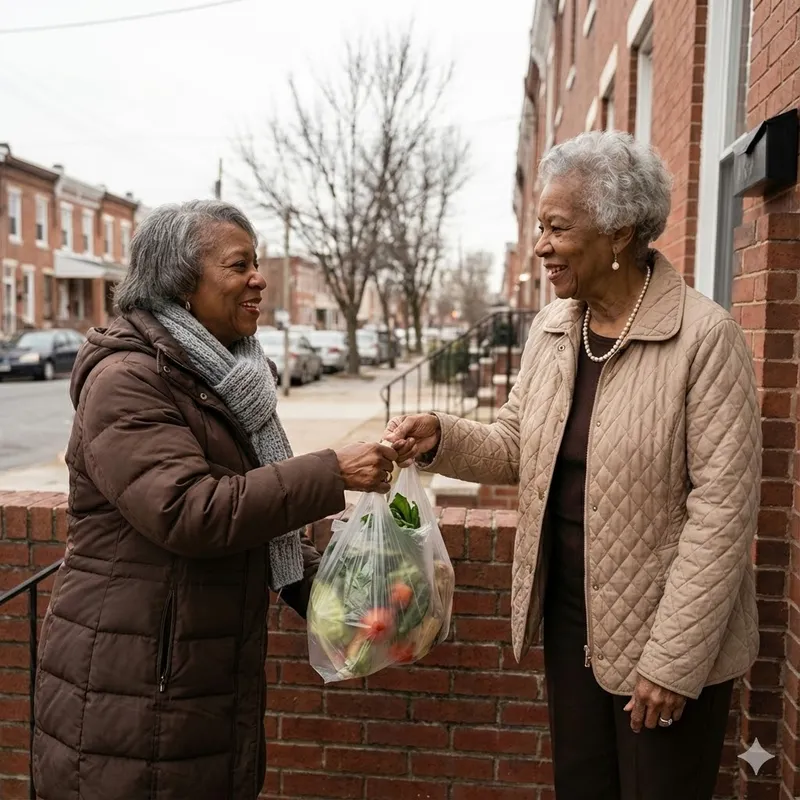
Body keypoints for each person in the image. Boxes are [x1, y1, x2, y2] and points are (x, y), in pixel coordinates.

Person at [385, 131, 761, 800]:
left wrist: (673, 662)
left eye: (557, 228)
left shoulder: (705, 338)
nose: (541, 246)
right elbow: (516, 442)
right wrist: (439, 435)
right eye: (539, 227)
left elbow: (723, 513)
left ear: (618, 234)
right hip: (571, 620)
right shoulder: (554, 328)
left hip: (665, 637)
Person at [32, 200, 397, 800]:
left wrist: (343, 596)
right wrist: (333, 471)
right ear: (179, 284)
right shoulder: (127, 379)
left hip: (193, 677)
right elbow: (190, 511)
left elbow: (254, 517)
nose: (259, 278)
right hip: (133, 688)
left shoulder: (223, 379)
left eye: (257, 262)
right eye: (238, 265)